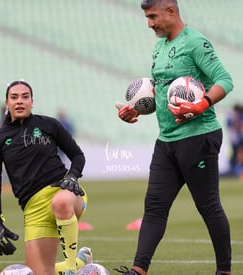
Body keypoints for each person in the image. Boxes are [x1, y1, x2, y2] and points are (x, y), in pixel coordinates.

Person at [115, 1, 233, 274]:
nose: (150, 23)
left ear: (170, 11)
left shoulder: (195, 42)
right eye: (147, 17)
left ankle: (224, 271)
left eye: (153, 16)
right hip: (166, 140)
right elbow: (164, 93)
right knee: (154, 206)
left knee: (208, 205)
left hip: (199, 137)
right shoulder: (159, 47)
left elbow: (224, 80)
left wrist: (202, 104)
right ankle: (138, 270)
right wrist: (136, 109)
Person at [0, 80, 92, 275]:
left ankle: (70, 268)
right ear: (7, 103)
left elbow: (78, 156)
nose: (20, 101)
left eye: (25, 97)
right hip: (33, 210)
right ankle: (80, 264)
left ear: (32, 102)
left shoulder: (49, 124)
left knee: (60, 202)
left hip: (65, 192)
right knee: (40, 273)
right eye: (14, 97)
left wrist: (72, 177)